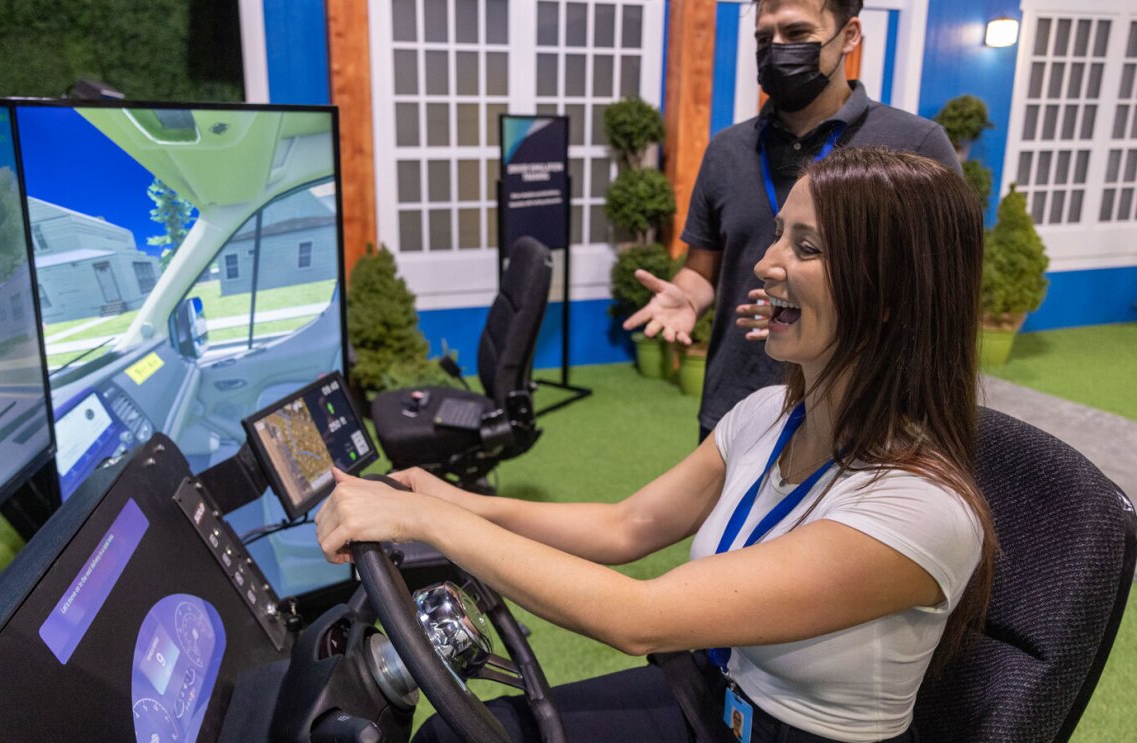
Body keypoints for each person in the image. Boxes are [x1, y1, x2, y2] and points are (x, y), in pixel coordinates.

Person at [316, 148, 995, 743]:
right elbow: (626, 525)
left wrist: (427, 522)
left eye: (807, 248)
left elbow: (640, 616)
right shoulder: (766, 414)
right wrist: (457, 502)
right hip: (714, 699)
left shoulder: (918, 509)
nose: (765, 263)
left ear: (889, 294)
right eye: (778, 235)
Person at [622, 0, 960, 441]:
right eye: (766, 38)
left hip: (864, 413)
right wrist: (687, 298)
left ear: (850, 35)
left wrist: (819, 311)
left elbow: (940, 296)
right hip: (734, 404)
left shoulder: (915, 146)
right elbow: (702, 268)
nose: (777, 49)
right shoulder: (726, 150)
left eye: (797, 34)